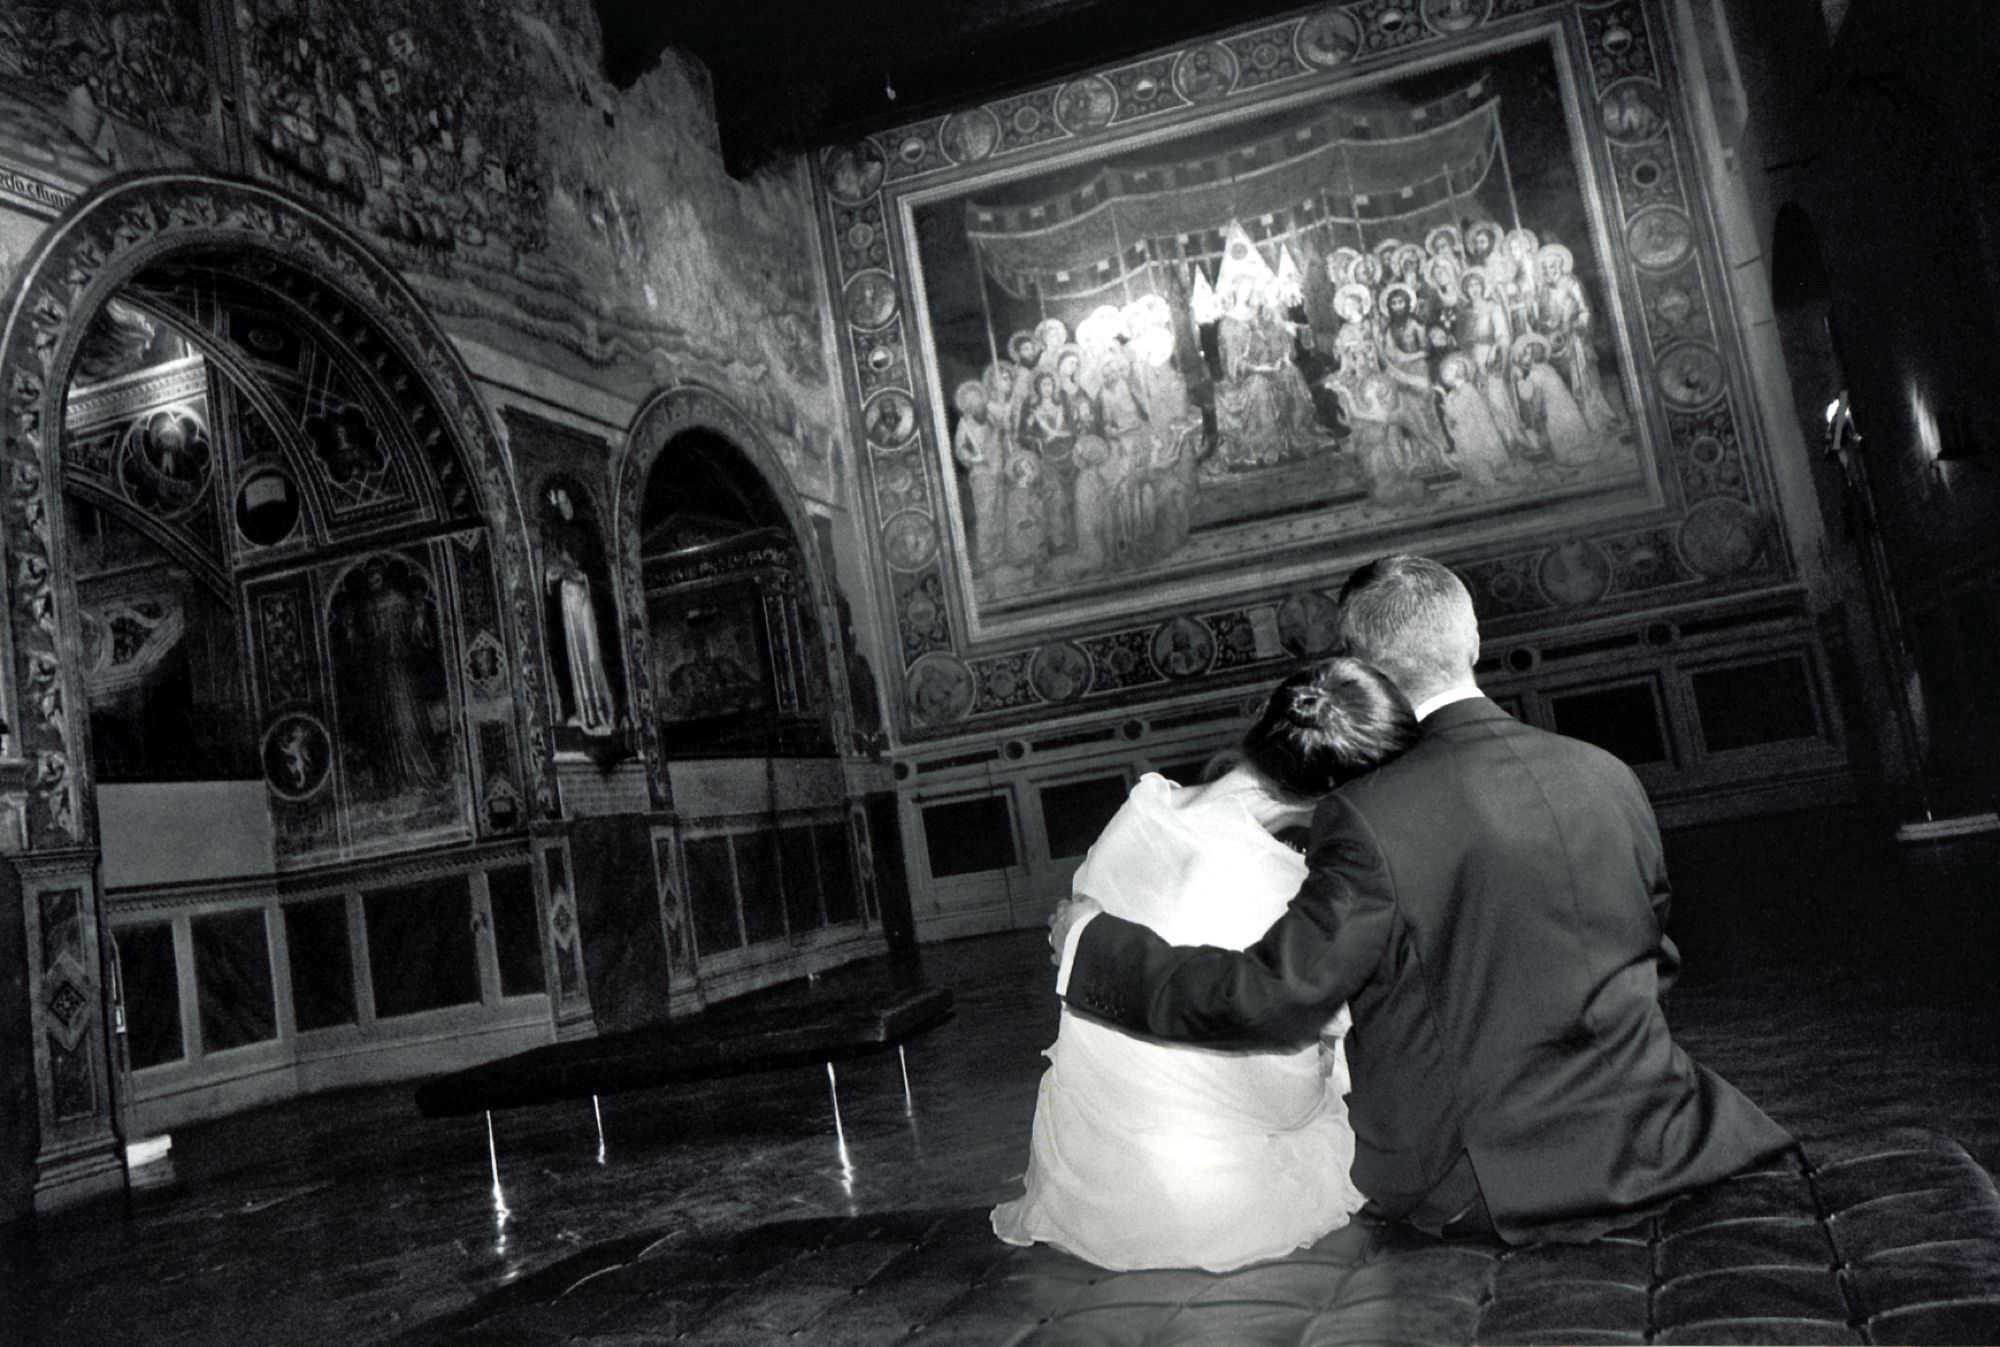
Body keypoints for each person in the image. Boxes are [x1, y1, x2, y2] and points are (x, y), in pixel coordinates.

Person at [1050, 555, 1793, 1245]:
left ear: (1360, 665)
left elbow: (1268, 997)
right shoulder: (1607, 772)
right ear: (1472, 638)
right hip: (1667, 1134)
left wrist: (1091, 945)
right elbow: (1653, 956)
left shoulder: (1371, 813)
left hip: (1484, 1180)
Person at [994, 658, 1421, 1271]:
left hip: (1083, 1169)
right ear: (1341, 793)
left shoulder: (1143, 804)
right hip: (1203, 1204)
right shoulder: (1277, 884)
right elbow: (1281, 1102)